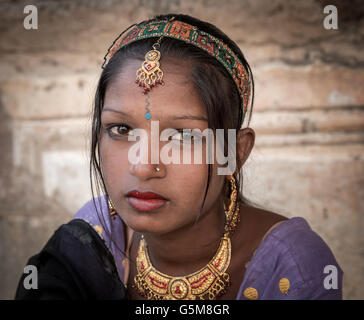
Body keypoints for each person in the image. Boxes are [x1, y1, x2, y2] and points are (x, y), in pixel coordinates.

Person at [15, 13, 343, 300]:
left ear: (236, 152)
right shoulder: (95, 234)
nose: (143, 166)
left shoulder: (294, 268)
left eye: (183, 136)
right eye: (121, 130)